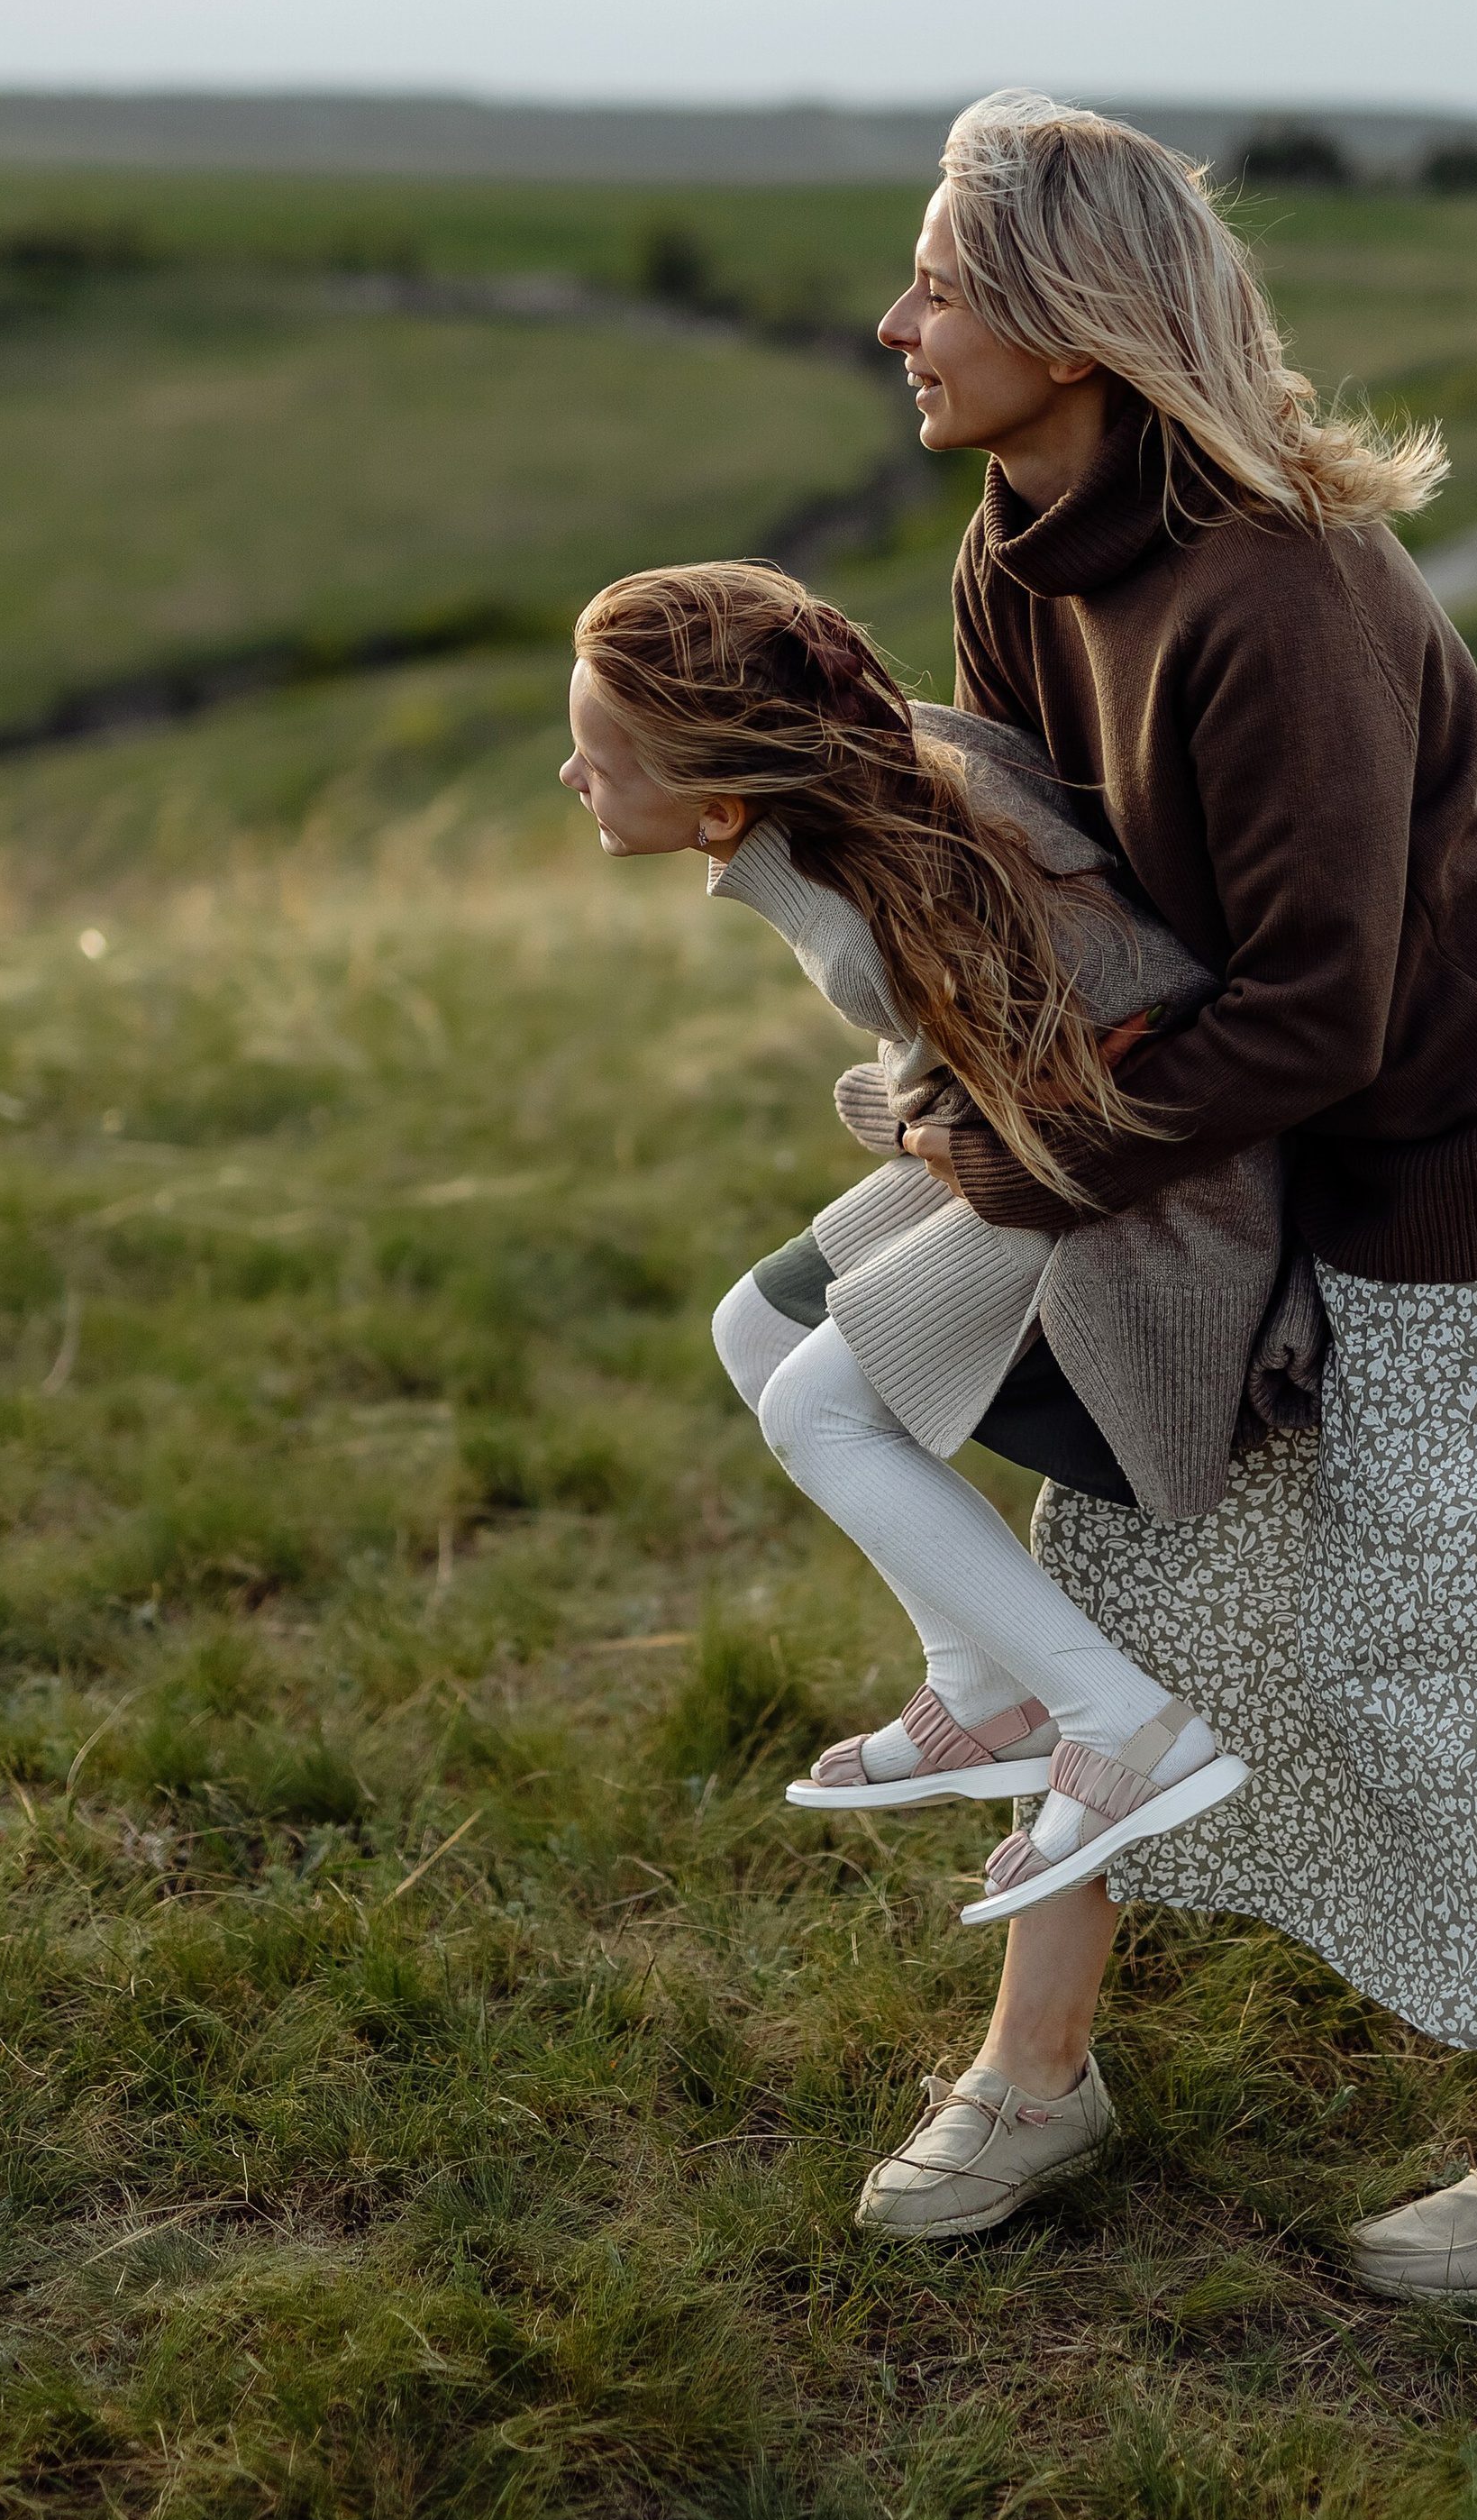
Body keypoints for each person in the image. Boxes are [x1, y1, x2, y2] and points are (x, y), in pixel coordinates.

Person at [840, 91, 1477, 2305]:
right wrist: (970, 1068)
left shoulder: (1272, 593)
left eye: (943, 283)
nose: (896, 319)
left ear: (1074, 329)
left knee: (1427, 1673)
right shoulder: (1020, 545)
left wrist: (1029, 1156)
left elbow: (1313, 1008)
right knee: (1104, 1578)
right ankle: (1036, 2072)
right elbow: (1072, 909)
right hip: (1244, 1151)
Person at [560, 560, 1319, 1900]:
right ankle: (984, 1692)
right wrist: (920, 1106)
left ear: (721, 801)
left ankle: (1127, 1727)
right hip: (1044, 1149)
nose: (574, 780)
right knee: (757, 1322)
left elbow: (1084, 1071)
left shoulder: (878, 887)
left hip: (1142, 1190)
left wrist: (914, 1124)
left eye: (599, 759)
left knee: (820, 1410)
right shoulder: (887, 783)